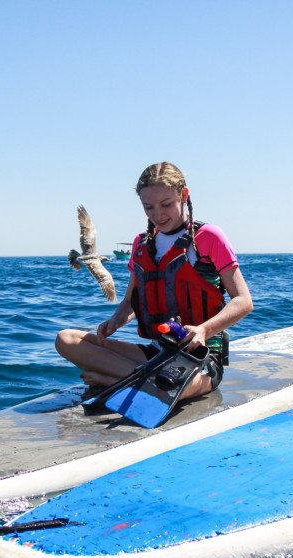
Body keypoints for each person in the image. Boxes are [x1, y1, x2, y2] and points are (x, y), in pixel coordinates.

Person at [55, 162, 253, 403]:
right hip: (156, 355)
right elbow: (130, 301)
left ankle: (116, 381)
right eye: (148, 207)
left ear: (184, 195)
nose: (158, 215)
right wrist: (116, 321)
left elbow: (243, 301)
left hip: (199, 360)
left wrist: (203, 330)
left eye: (166, 204)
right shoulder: (141, 243)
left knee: (170, 384)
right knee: (66, 339)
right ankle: (134, 381)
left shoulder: (210, 237)